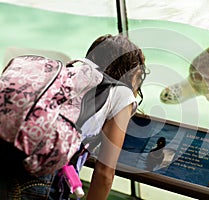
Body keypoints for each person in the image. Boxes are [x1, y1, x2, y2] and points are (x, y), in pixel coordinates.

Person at [0, 34, 147, 200]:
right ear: (132, 73)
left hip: (8, 153)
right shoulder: (122, 94)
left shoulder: (67, 72)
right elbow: (105, 172)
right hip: (43, 177)